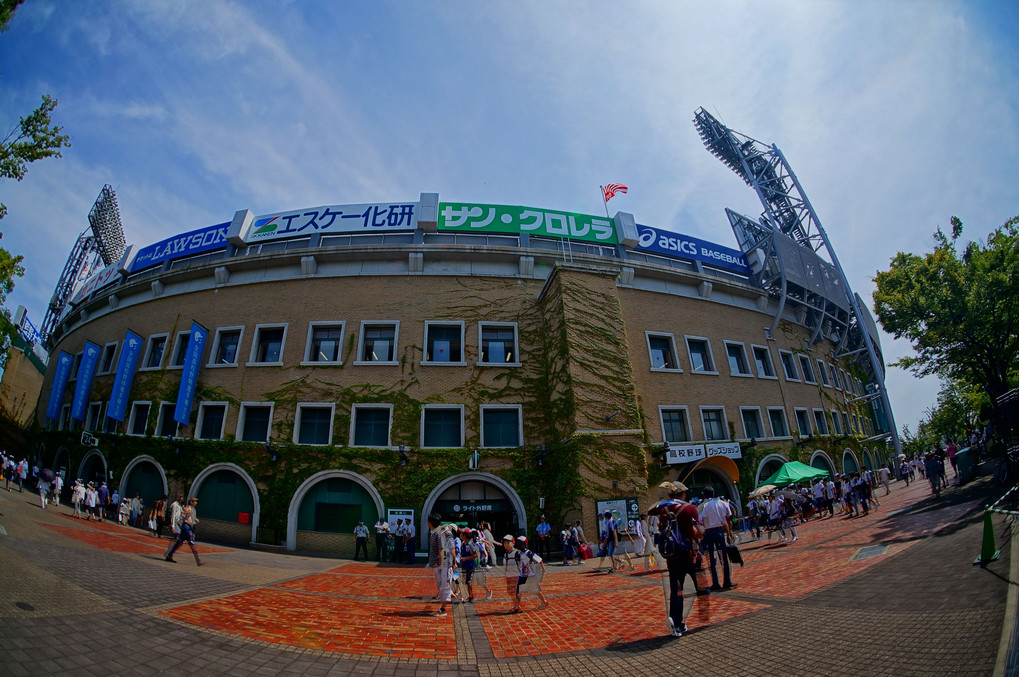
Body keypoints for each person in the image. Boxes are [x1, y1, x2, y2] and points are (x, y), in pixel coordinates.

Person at [648, 481, 704, 638]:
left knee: (676, 590)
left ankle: (676, 623)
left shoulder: (663, 509)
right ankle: (702, 613)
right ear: (684, 493)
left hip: (671, 555)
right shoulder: (689, 508)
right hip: (688, 554)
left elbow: (651, 512)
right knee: (701, 584)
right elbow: (700, 532)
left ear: (670, 495)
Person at [698, 487, 736, 590]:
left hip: (709, 531)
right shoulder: (723, 503)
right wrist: (728, 534)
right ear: (714, 494)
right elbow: (727, 519)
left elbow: (700, 519)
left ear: (705, 495)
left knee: (711, 558)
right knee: (724, 557)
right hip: (720, 530)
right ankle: (727, 581)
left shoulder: (704, 505)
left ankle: (715, 583)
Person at [503, 535, 548, 612]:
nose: (519, 545)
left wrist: (542, 569)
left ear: (524, 544)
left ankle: (544, 601)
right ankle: (517, 606)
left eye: (521, 543)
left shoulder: (529, 553)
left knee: (535, 590)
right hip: (522, 575)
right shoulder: (518, 553)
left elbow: (539, 560)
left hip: (530, 575)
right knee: (518, 591)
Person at [164, 497, 203, 565]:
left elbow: (192, 517)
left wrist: (195, 520)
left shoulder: (193, 509)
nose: (196, 503)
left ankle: (169, 555)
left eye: (196, 501)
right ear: (191, 502)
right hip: (186, 527)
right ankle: (198, 560)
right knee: (191, 542)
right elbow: (183, 515)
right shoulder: (188, 508)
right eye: (194, 501)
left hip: (189, 527)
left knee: (180, 541)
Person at [426, 513, 450, 617]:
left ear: (429, 523)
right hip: (438, 564)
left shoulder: (438, 534)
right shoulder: (434, 532)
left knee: (443, 586)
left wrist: (441, 565)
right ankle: (449, 596)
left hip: (442, 564)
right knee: (441, 585)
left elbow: (441, 549)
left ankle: (443, 610)